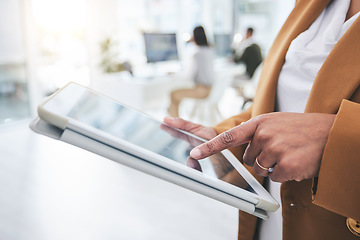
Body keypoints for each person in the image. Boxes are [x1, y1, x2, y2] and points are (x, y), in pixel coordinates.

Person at [164, 0, 360, 239]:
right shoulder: (311, 4)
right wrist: (225, 138)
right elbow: (280, 103)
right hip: (273, 221)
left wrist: (337, 139)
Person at [168, 26, 214, 118]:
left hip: (202, 90)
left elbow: (188, 76)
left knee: (173, 94)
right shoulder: (209, 51)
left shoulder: (197, 54)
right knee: (177, 96)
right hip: (211, 89)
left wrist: (173, 75)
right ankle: (175, 119)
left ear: (195, 37)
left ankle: (174, 123)